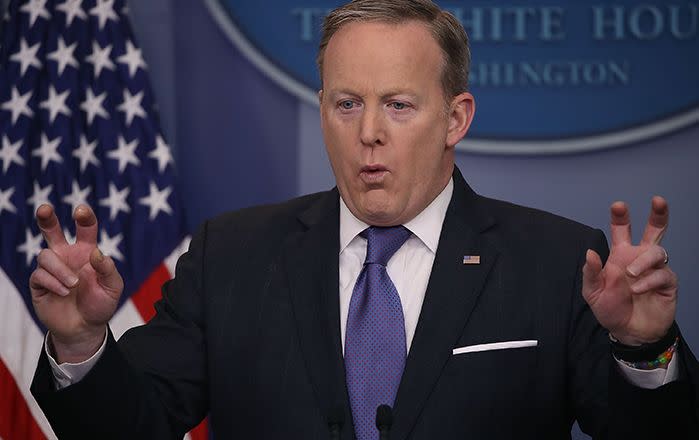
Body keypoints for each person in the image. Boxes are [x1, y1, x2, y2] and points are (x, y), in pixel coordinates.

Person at [29, 0, 698, 438]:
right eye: (346, 104)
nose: (369, 132)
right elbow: (133, 425)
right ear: (321, 110)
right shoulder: (229, 255)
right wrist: (83, 346)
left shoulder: (555, 262)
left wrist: (643, 351)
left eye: (398, 105)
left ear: (455, 118)